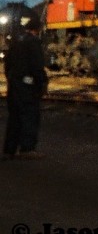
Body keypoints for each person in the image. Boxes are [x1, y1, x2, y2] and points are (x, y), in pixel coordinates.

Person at [4, 13, 48, 159]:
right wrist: (42, 81)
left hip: (14, 83)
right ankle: (27, 148)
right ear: (37, 29)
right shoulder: (33, 42)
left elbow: (7, 64)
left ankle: (9, 150)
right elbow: (37, 65)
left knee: (14, 117)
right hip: (28, 85)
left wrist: (11, 79)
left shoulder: (16, 40)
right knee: (30, 115)